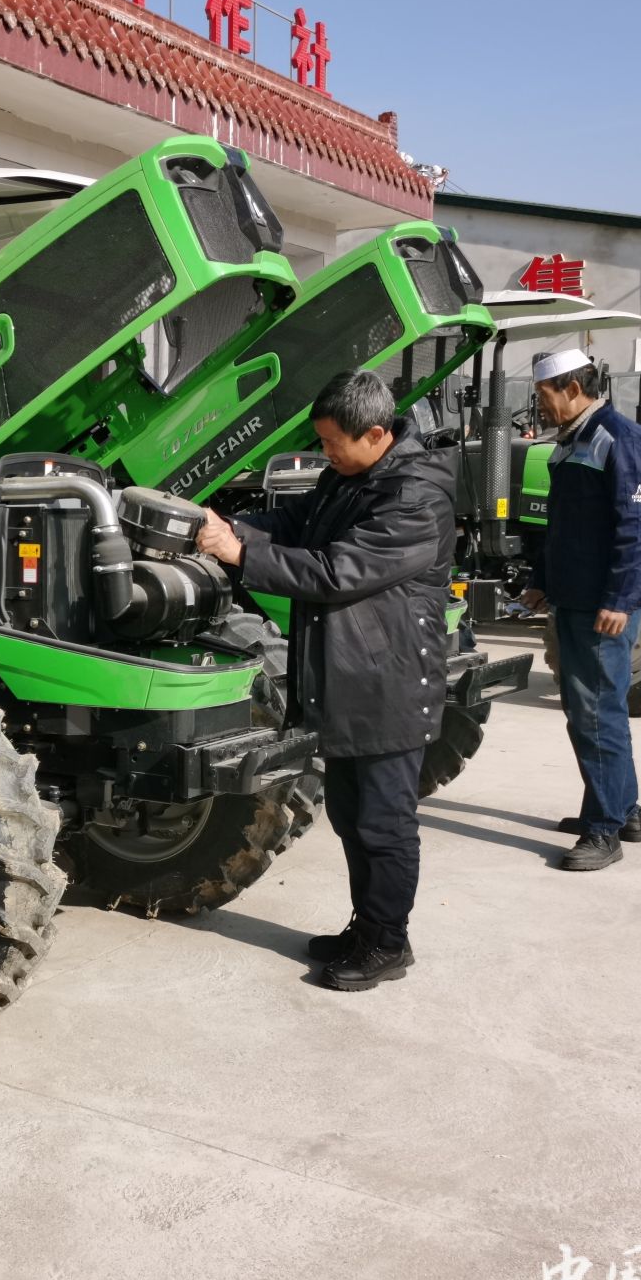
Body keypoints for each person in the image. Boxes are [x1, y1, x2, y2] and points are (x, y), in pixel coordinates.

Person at [197, 369, 455, 991]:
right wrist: (231, 527)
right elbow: (296, 523)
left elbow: (338, 571)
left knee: (384, 824)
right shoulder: (350, 478)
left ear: (376, 434)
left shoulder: (415, 498)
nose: (325, 452)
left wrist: (240, 554)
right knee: (350, 814)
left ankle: (388, 944)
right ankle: (367, 928)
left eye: (334, 442)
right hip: (350, 682)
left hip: (389, 686)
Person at [517, 348, 641, 871]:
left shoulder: (618, 438)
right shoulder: (574, 439)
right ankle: (625, 811)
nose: (540, 406)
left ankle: (604, 830)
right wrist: (542, 581)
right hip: (575, 598)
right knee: (595, 712)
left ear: (573, 389)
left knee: (596, 714)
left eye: (544, 395)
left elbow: (638, 528)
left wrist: (621, 599)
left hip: (601, 606)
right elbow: (564, 526)